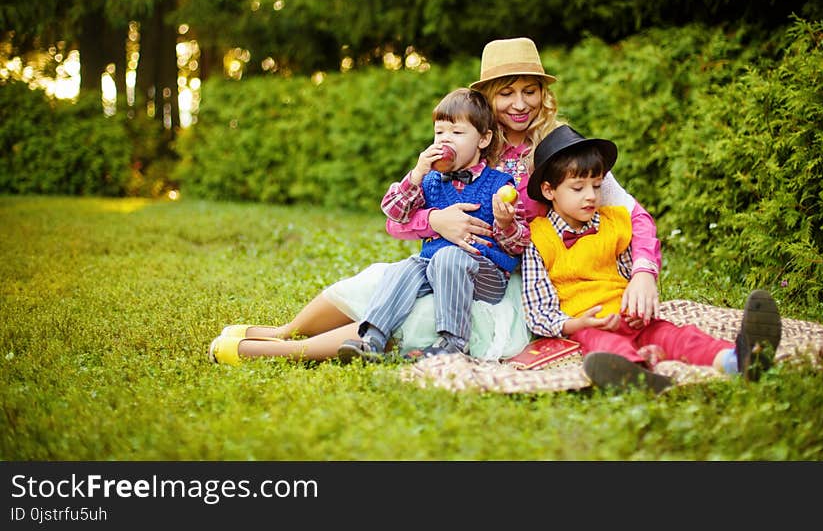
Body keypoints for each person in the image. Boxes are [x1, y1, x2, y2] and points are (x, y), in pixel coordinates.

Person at [208, 37, 660, 366]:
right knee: (380, 282)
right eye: (506, 92)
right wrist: (437, 219)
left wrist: (643, 273)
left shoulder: (562, 149)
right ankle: (284, 331)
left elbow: (631, 215)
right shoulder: (463, 143)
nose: (520, 104)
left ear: (544, 94)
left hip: (517, 280)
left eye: (530, 90)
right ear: (485, 99)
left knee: (420, 314)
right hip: (446, 256)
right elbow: (398, 221)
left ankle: (283, 351)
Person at [521, 123, 783, 392]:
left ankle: (739, 360)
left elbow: (628, 275)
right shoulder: (537, 239)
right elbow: (540, 311)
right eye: (578, 188)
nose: (591, 196)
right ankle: (637, 377)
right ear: (549, 191)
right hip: (590, 324)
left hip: (631, 317)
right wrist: (578, 323)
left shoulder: (615, 223)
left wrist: (638, 309)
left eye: (597, 186)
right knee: (607, 347)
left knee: (679, 336)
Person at [336, 87, 530, 363]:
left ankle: (453, 342)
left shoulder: (500, 184)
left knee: (449, 257)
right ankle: (372, 339)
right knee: (404, 267)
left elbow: (518, 244)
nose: (445, 140)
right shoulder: (429, 180)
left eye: (457, 133)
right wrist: (416, 174)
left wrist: (505, 222)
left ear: (484, 139)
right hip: (434, 266)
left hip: (485, 274)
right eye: (439, 133)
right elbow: (394, 212)